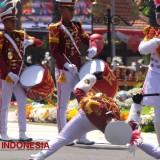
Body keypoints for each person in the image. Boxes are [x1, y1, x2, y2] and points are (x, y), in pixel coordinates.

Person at [29, 74, 160, 160]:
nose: (113, 120)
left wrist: (91, 77)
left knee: (136, 140)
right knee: (62, 138)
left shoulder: (117, 119)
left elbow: (78, 90)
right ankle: (40, 156)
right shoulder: (91, 104)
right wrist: (137, 105)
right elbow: (133, 124)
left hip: (87, 116)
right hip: (85, 117)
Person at [49, 0, 98, 145]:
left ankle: (81, 136)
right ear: (62, 9)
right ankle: (63, 135)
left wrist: (93, 46)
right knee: (62, 104)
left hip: (78, 70)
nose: (72, 12)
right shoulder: (55, 28)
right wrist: (66, 64)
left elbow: (87, 39)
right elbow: (55, 51)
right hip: (64, 70)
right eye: (69, 9)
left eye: (73, 9)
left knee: (83, 102)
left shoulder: (77, 26)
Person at [0, 0, 42, 141]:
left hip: (19, 76)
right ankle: (3, 132)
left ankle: (22, 133)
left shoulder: (20, 35)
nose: (14, 23)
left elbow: (39, 42)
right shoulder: (1, 38)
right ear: (4, 22)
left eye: (14, 21)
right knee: (4, 105)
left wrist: (31, 42)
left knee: (22, 103)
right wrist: (8, 73)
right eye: (11, 21)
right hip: (7, 77)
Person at [138, 0, 160, 146]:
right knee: (159, 118)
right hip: (156, 78)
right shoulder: (153, 33)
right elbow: (142, 49)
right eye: (159, 15)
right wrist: (157, 41)